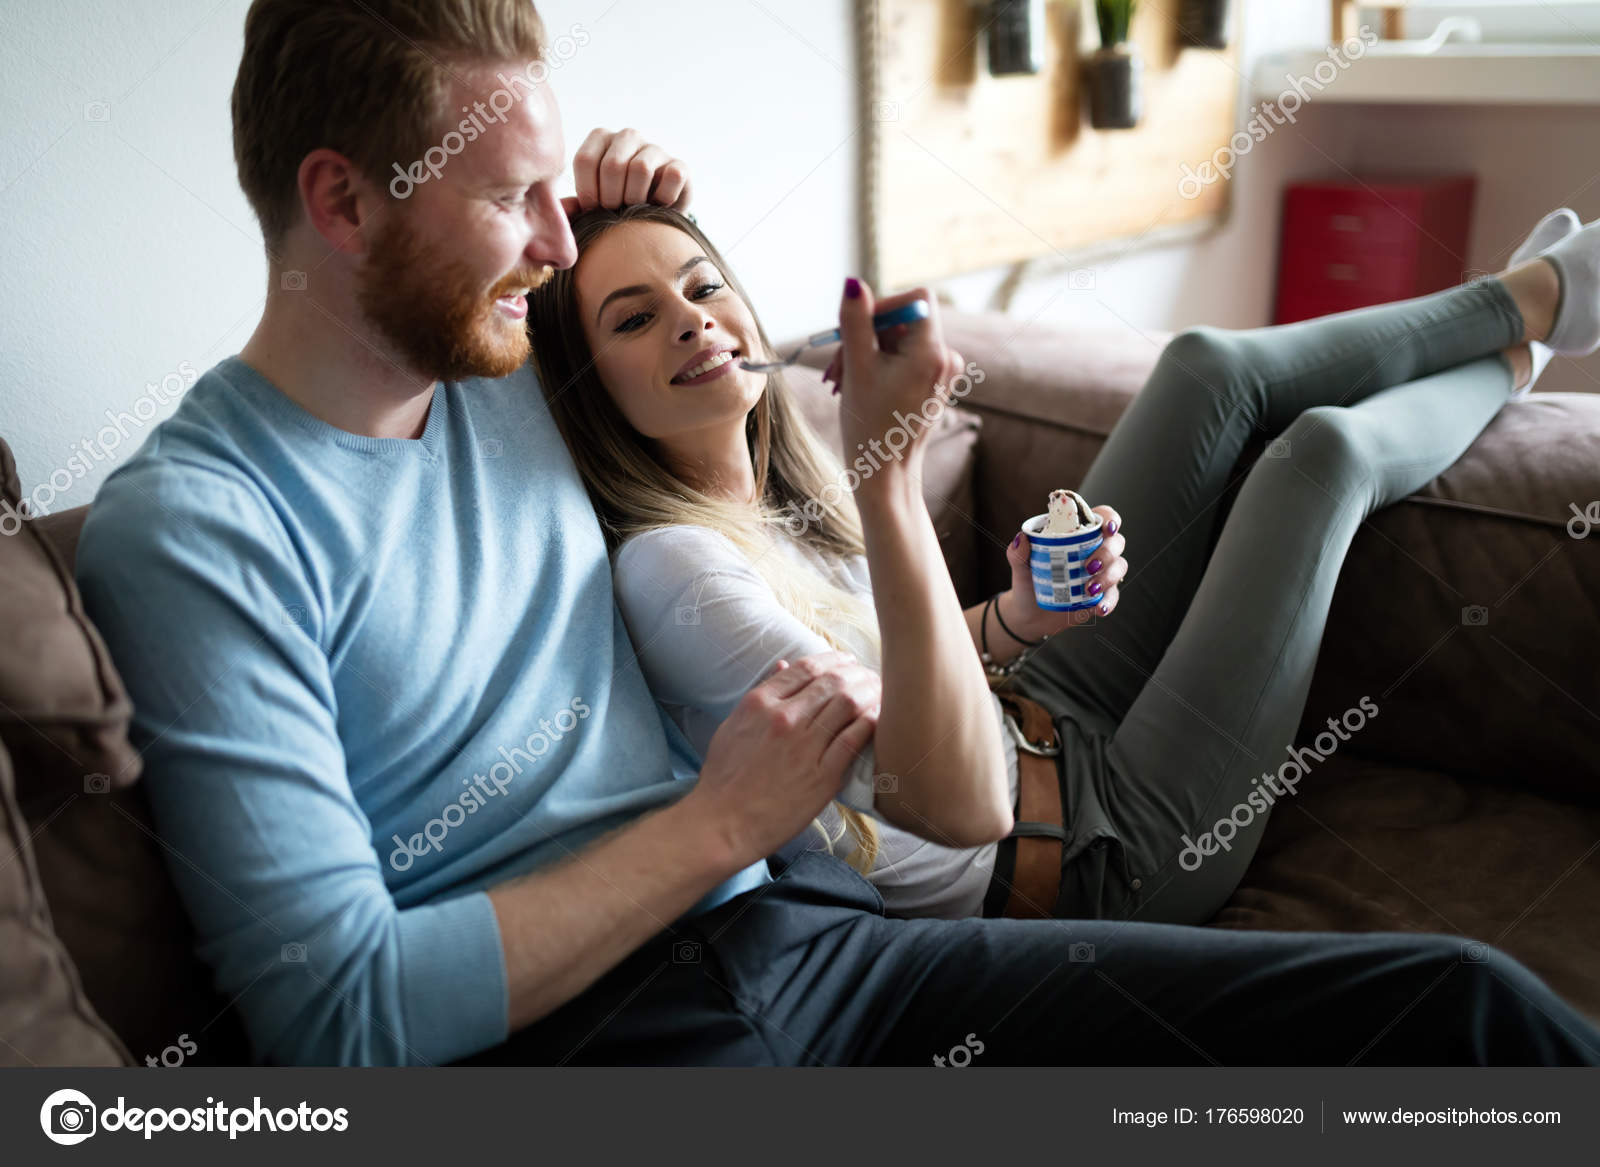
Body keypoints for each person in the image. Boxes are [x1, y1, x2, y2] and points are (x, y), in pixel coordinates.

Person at [71, 0, 1600, 1067]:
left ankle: (1535, 312)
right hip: (625, 1035)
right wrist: (716, 823)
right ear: (343, 203)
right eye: (509, 201)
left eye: (554, 200)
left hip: (824, 934)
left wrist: (626, 196)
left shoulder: (506, 367)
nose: (551, 243)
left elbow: (668, 320)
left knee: (1457, 1011)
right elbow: (341, 1014)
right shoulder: (202, 528)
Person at [530, 199, 1600, 929]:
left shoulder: (788, 493)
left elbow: (900, 672)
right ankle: (1538, 319)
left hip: (1041, 709)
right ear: (588, 391)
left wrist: (1014, 617)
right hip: (1089, 855)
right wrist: (891, 474)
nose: (690, 322)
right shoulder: (672, 569)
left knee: (1203, 368)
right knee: (1317, 461)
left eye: (702, 285)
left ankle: (1528, 314)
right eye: (636, 319)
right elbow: (924, 777)